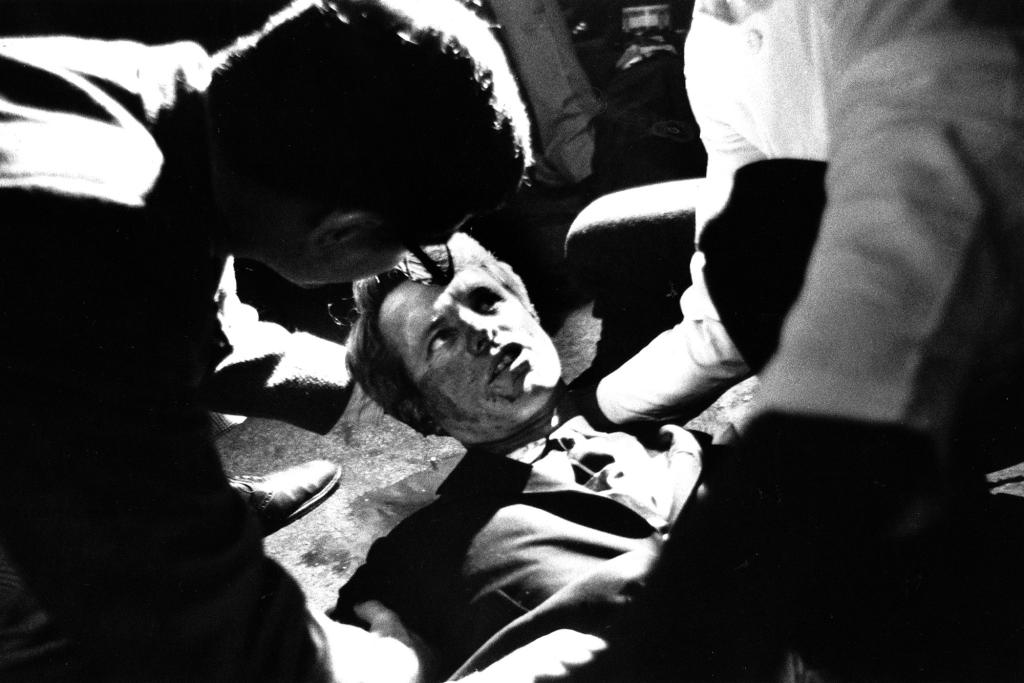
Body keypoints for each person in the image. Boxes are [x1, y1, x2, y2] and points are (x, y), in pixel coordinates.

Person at [0, 0, 613, 679]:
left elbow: (212, 335)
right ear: (343, 233)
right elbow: (187, 612)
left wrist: (377, 389)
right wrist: (392, 667)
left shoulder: (175, 114)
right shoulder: (73, 256)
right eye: (415, 245)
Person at [560, 0, 1024, 680]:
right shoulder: (712, 38)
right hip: (854, 275)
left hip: (978, 269)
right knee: (724, 233)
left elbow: (936, 171)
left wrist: (771, 504)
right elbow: (725, 294)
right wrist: (599, 405)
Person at [330, 233, 704, 680]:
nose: (482, 332)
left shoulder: (687, 445)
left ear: (531, 313)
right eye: (441, 336)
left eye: (487, 302)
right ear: (415, 409)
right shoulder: (416, 557)